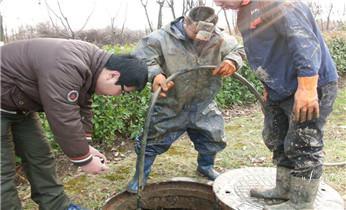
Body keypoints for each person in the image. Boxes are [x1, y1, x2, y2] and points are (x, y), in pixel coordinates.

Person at [214, 0, 338, 209]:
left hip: (306, 85)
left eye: (222, 0)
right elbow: (259, 49)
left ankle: (301, 203)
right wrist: (267, 83)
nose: (221, 5)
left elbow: (303, 41)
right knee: (276, 137)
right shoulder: (244, 12)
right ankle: (284, 188)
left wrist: (307, 87)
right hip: (278, 89)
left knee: (303, 144)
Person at [0, 38, 148, 210]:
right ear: (113, 75)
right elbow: (63, 115)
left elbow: (83, 103)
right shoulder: (67, 65)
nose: (117, 95)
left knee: (40, 156)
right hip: (5, 99)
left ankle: (57, 206)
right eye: (122, 91)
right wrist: (84, 160)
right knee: (3, 171)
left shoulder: (92, 64)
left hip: (18, 105)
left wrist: (86, 146)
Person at [126, 6, 244, 193]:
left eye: (206, 33)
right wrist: (155, 74)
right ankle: (140, 176)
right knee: (152, 139)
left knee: (212, 135)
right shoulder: (161, 38)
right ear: (186, 22)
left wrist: (232, 61)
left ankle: (205, 166)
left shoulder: (219, 37)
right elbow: (142, 58)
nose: (200, 38)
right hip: (171, 102)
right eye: (196, 32)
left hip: (203, 101)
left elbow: (237, 49)